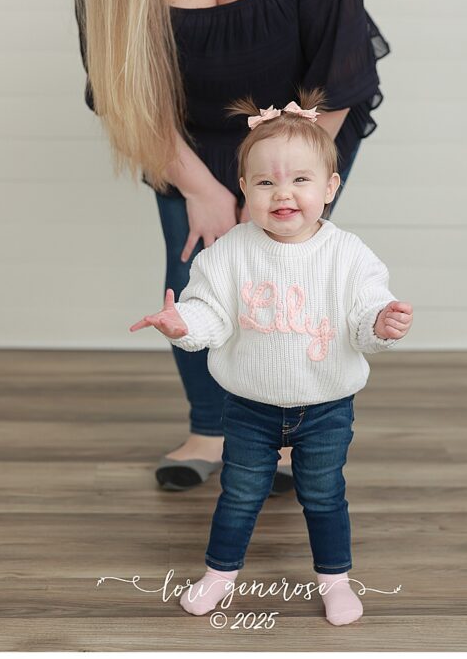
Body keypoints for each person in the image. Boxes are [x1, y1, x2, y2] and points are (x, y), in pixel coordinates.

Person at [73, 0, 389, 492]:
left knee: (285, 281)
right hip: (180, 141)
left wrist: (279, 178)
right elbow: (122, 97)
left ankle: (285, 437)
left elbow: (341, 69)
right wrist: (204, 190)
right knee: (194, 280)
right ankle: (209, 429)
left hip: (302, 133)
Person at [130, 92, 413, 624]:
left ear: (330, 188)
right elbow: (210, 314)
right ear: (244, 189)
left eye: (301, 180)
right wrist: (182, 323)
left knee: (325, 496)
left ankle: (334, 580)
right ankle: (219, 574)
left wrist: (381, 323)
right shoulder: (230, 252)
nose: (283, 192)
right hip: (249, 405)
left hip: (326, 406)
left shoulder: (349, 255)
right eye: (265, 182)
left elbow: (365, 312)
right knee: (239, 495)